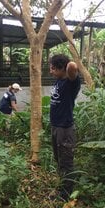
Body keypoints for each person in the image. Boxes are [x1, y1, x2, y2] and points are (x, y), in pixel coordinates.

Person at [49, 54, 81, 201]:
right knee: (58, 160)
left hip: (65, 129)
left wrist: (67, 63)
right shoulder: (59, 81)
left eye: (53, 68)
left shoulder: (71, 83)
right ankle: (62, 188)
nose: (50, 71)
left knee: (66, 163)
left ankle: (66, 196)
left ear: (62, 68)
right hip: (55, 127)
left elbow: (73, 66)